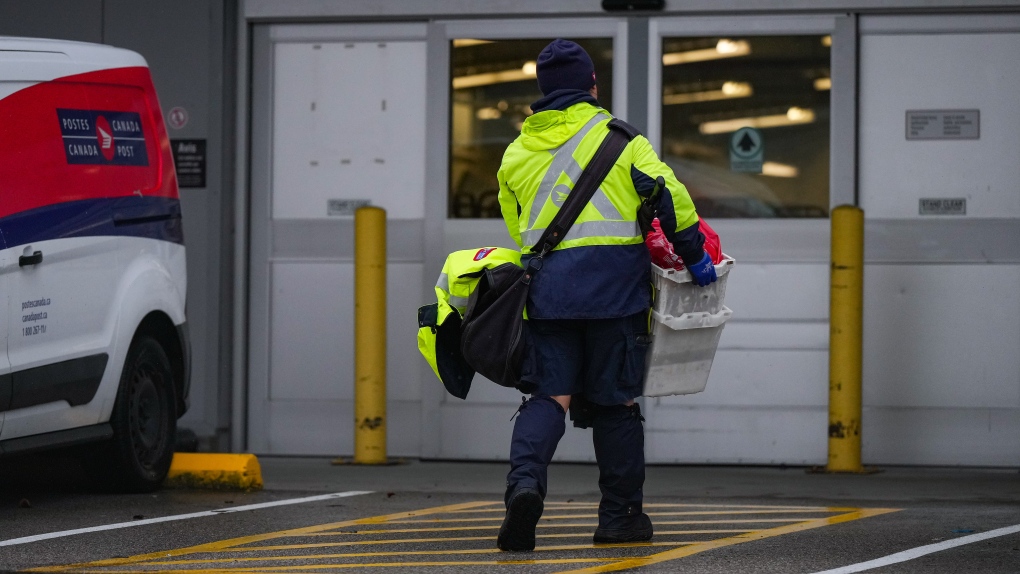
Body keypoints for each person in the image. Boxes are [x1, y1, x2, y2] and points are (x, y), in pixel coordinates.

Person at [494, 39, 717, 552]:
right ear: (592, 84)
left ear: (543, 91)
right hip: (616, 297)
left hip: (548, 296)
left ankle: (524, 489)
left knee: (548, 395)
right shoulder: (623, 141)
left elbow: (519, 229)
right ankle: (619, 519)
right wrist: (694, 255)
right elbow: (673, 198)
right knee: (616, 403)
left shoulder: (517, 152)